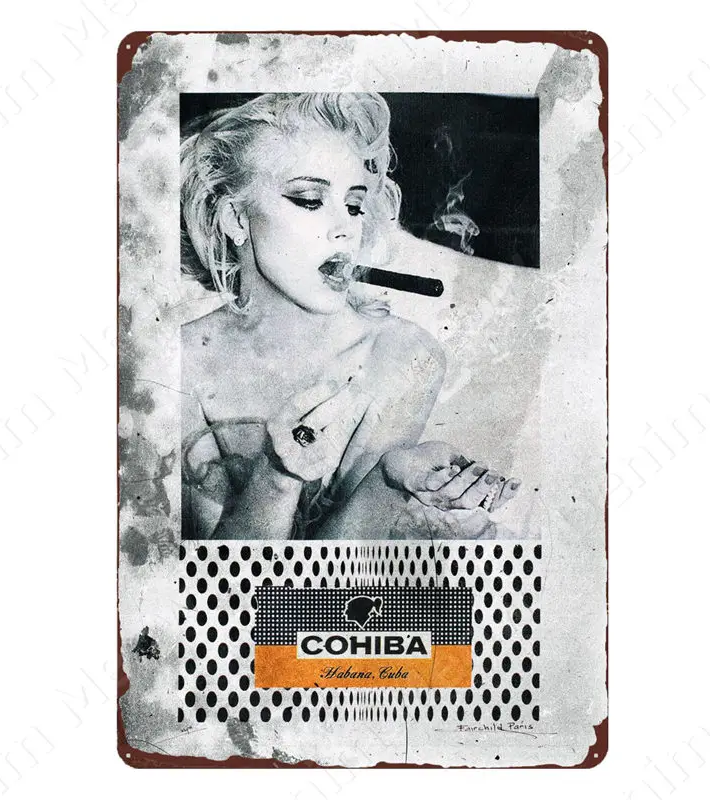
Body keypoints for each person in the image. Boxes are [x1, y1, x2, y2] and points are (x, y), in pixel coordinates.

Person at [179, 92, 518, 540]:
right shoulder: (180, 360)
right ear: (235, 219)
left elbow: (334, 576)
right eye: (309, 199)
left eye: (355, 205)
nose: (345, 228)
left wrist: (389, 478)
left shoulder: (404, 355)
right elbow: (222, 582)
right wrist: (277, 478)